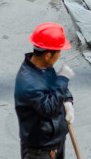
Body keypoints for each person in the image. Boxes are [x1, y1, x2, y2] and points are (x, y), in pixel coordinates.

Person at [15, 23, 74, 159]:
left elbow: (56, 87)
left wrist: (67, 101)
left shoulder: (44, 67)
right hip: (40, 150)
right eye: (58, 52)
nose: (59, 55)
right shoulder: (28, 81)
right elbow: (48, 108)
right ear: (47, 55)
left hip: (55, 141)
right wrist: (63, 79)